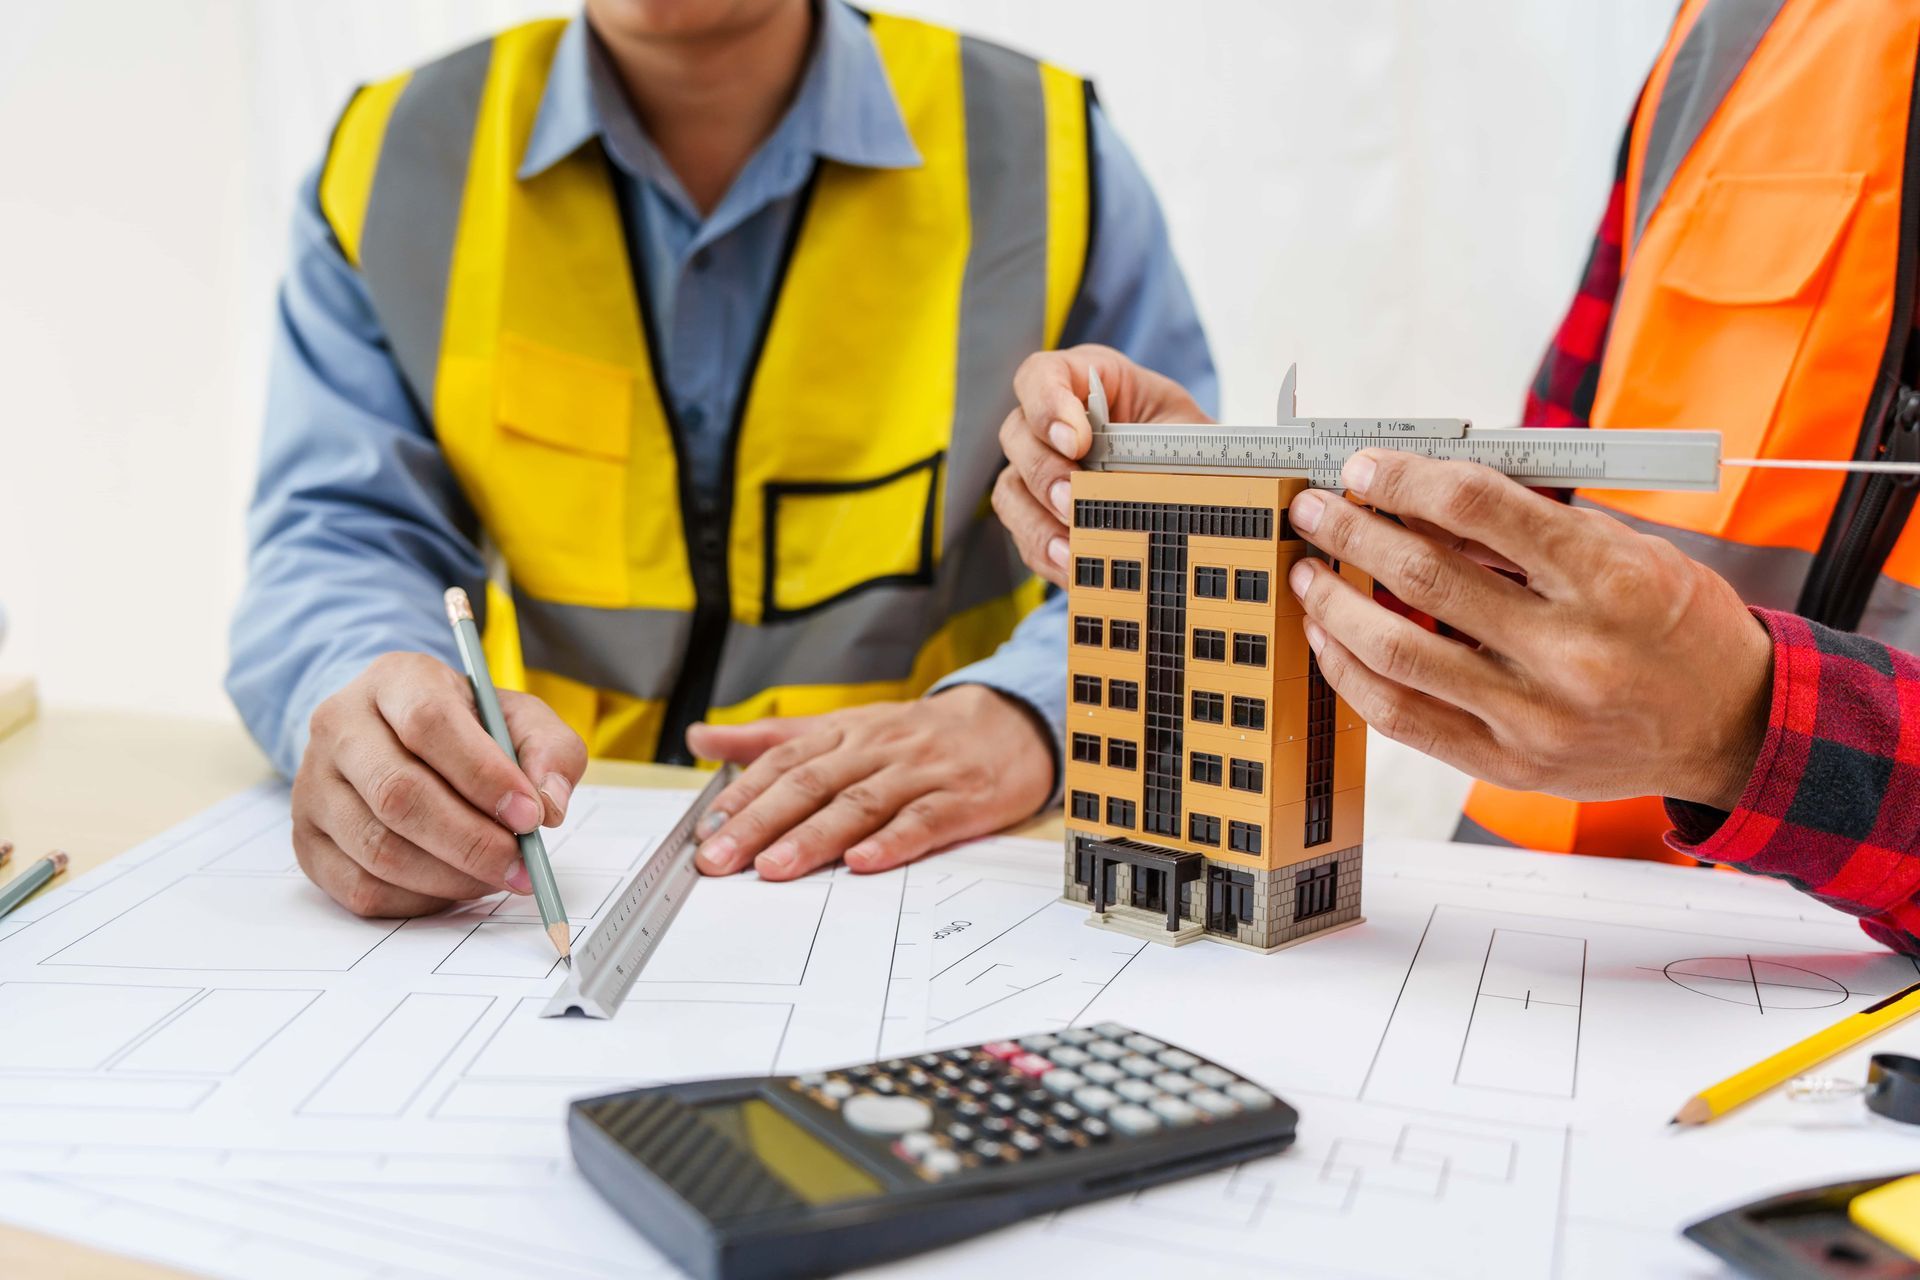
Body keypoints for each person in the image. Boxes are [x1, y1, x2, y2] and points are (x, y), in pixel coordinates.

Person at [228, 0, 1214, 918]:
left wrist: (1029, 716)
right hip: (569, 858)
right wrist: (377, 713)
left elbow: (1192, 548)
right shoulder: (400, 157)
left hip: (943, 875)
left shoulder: (1043, 151)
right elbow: (337, 535)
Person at [991, 0, 1920, 954]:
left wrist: (1745, 729)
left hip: (1840, 1025)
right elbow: (1534, 528)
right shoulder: (1737, 28)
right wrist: (1236, 513)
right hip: (1554, 933)